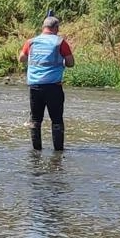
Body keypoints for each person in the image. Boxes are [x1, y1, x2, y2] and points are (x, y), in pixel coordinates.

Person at [19, 13, 74, 151]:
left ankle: (36, 152)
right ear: (56, 28)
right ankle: (58, 152)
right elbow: (70, 63)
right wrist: (61, 62)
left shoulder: (31, 42)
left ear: (43, 27)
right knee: (56, 121)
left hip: (35, 86)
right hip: (53, 87)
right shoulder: (60, 42)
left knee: (35, 120)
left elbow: (22, 58)